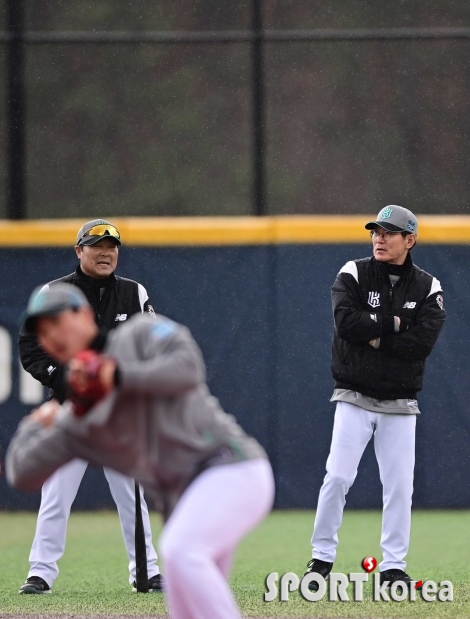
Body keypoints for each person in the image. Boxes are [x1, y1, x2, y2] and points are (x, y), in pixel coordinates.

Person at [7, 283, 275, 619]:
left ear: (86, 315)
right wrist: (35, 424)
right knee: (185, 607)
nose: (52, 336)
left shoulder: (139, 334)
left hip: (232, 468)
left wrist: (117, 375)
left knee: (180, 551)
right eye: (43, 333)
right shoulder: (77, 420)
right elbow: (21, 471)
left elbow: (188, 368)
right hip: (183, 503)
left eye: (58, 322)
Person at [17, 219, 162, 594]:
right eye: (96, 245)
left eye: (112, 246)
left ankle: (145, 572)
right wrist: (63, 376)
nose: (105, 252)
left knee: (132, 496)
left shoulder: (134, 292)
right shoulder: (54, 293)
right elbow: (31, 349)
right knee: (56, 494)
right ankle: (41, 573)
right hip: (71, 410)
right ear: (78, 250)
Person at [305, 205, 446, 589]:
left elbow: (422, 343)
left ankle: (393, 567)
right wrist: (395, 323)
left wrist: (377, 336)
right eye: (376, 232)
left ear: (410, 240)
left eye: (389, 232)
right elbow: (346, 324)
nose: (379, 238)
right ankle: (320, 559)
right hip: (354, 394)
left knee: (400, 486)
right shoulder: (353, 272)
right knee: (337, 477)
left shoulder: (427, 286)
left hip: (400, 403)